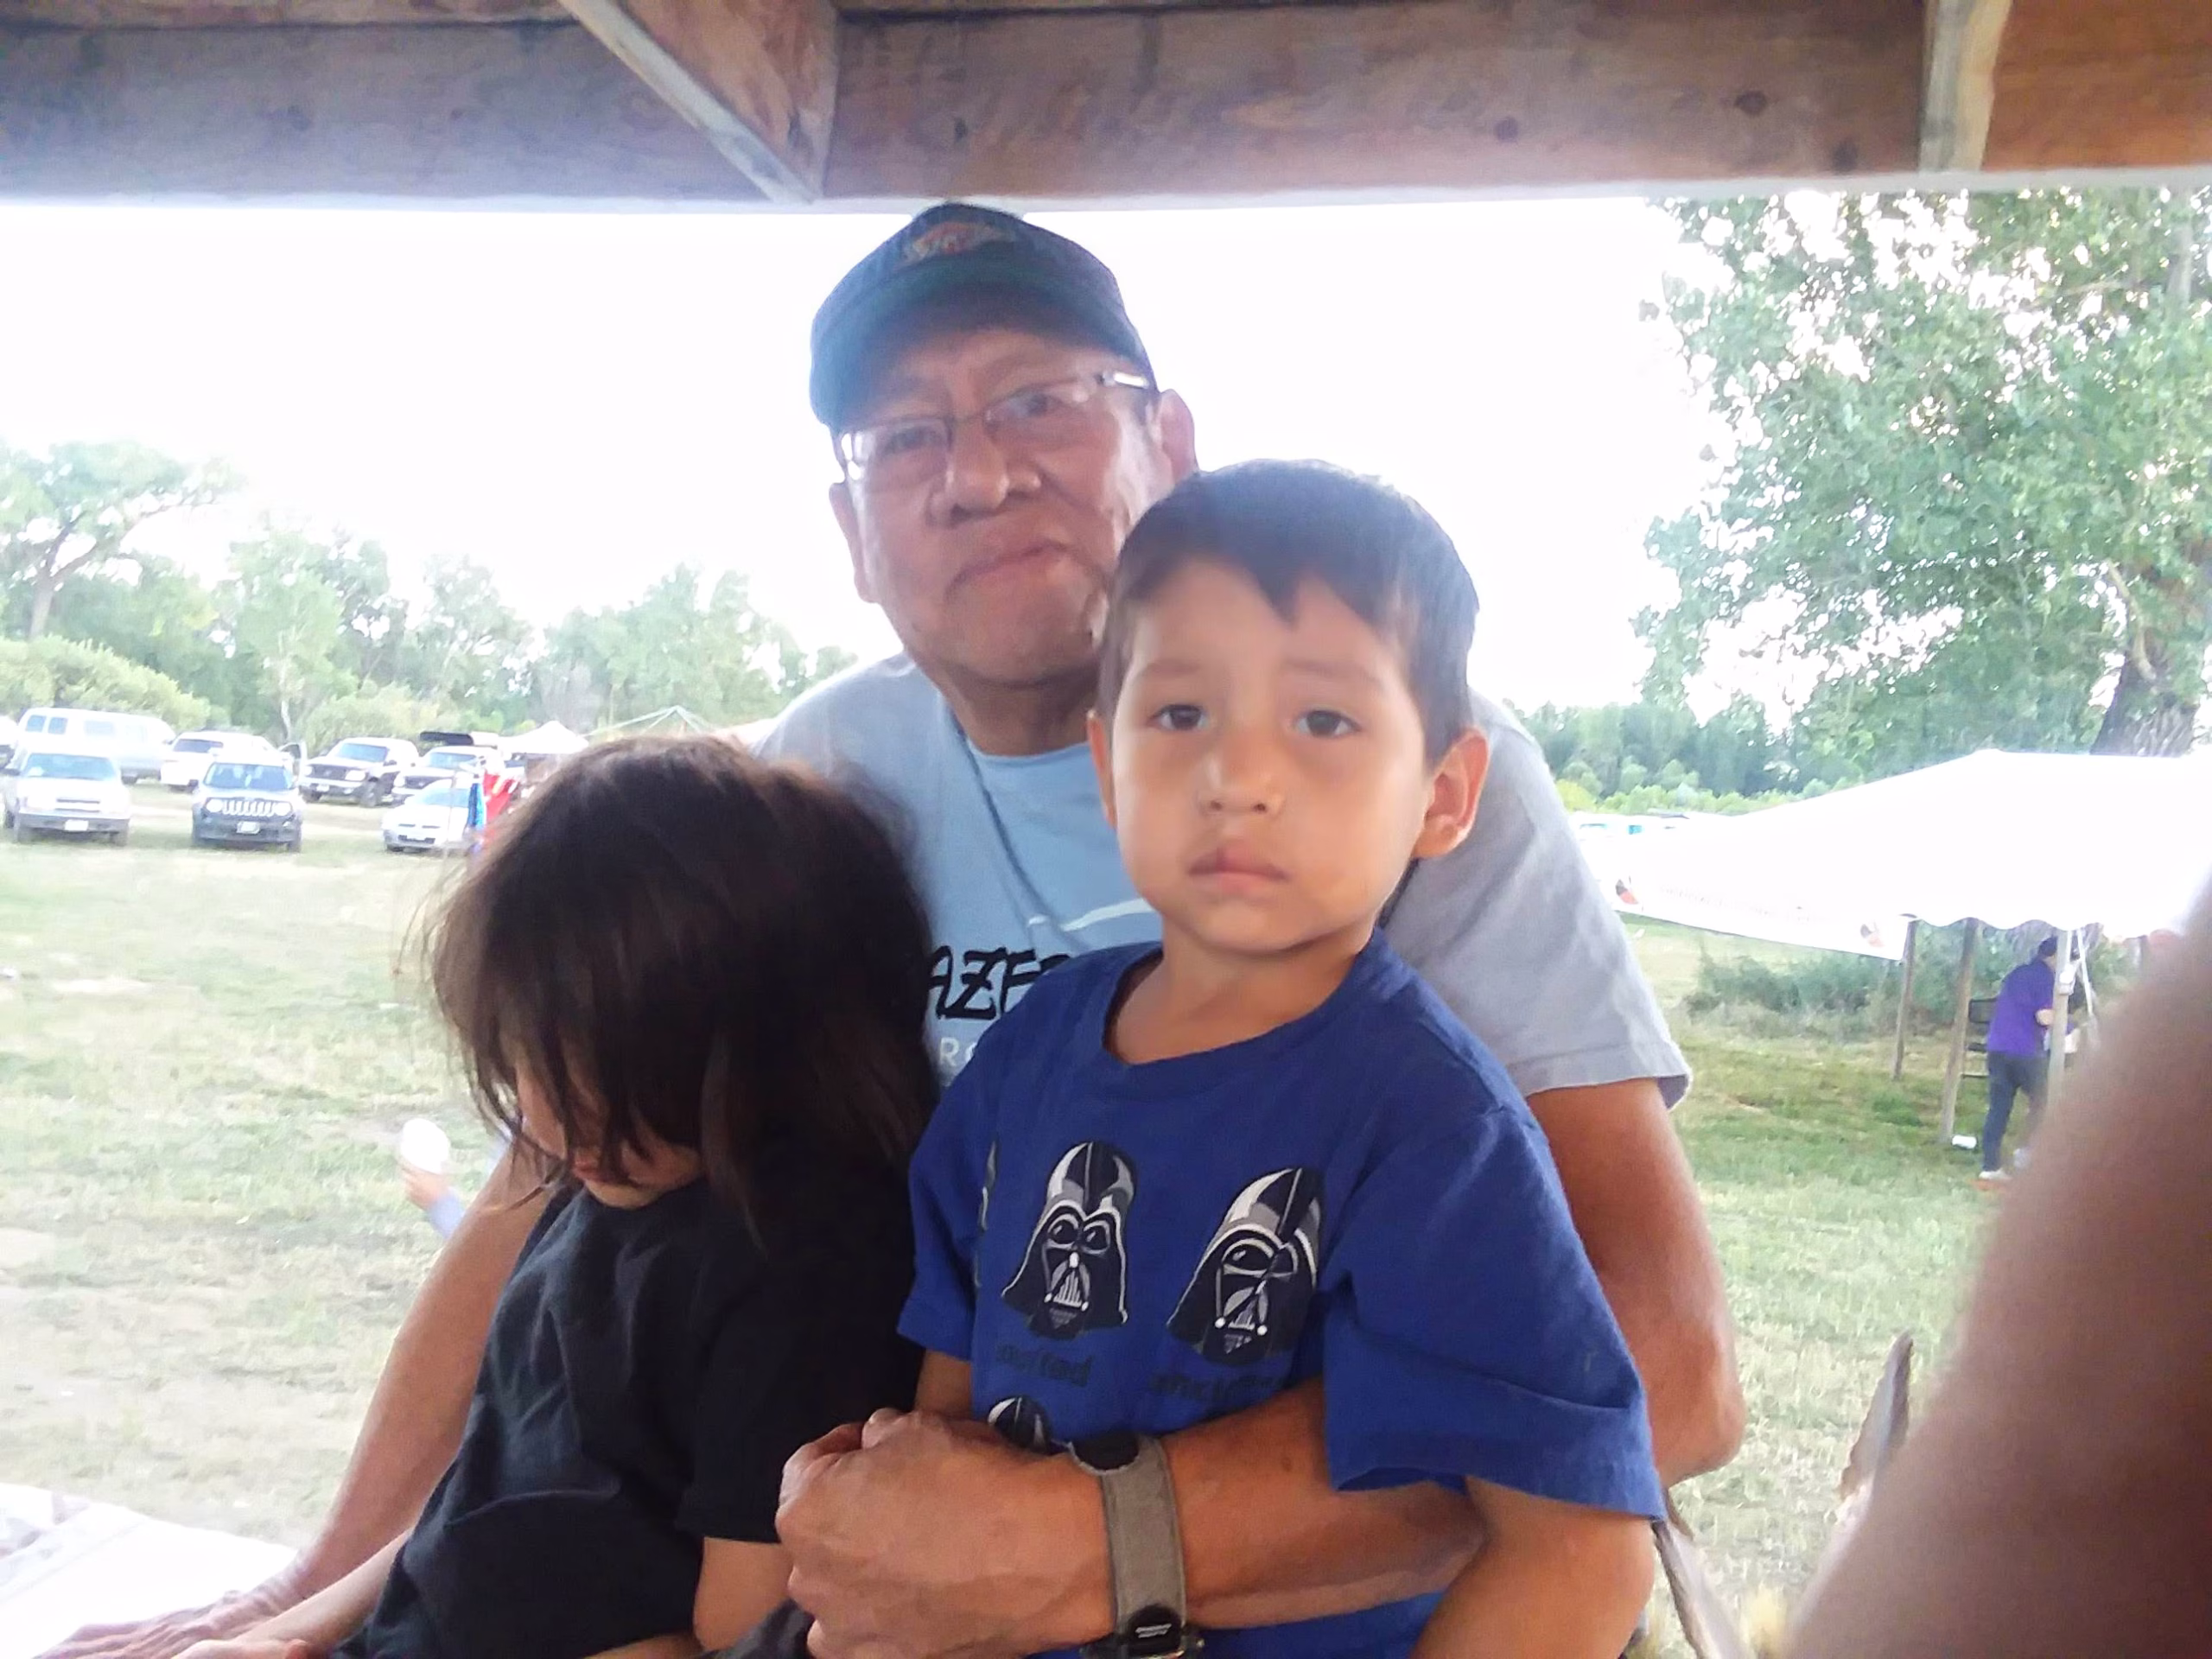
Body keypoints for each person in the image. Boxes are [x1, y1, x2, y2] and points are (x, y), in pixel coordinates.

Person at [44, 205, 1739, 1659]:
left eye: (1038, 400)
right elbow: (548, 1179)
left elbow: (1656, 1373)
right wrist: (313, 1591)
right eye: (901, 439)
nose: (976, 472)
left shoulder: (1399, 779)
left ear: (1173, 444)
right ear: (849, 535)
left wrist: (1081, 1541)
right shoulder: (823, 780)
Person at [900, 461, 1662, 1658]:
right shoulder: (1029, 1053)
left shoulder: (1430, 1129)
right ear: (1107, 769)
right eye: (1181, 714)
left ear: (1445, 795)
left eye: (1323, 721)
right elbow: (949, 1376)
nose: (1239, 778)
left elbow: (1579, 1551)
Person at [176, 736, 934, 1658]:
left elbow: (741, 1636)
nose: (548, 1117)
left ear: (769, 1031)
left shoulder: (807, 1267)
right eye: (527, 1061)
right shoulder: (602, 1188)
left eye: (607, 1076)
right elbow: (479, 1503)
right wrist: (288, 1630)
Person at [1787, 890, 2212, 1657]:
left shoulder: (2021, 970)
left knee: (1997, 1114)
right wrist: (2081, 1027)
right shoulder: (2046, 984)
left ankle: (1993, 1160)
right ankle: (2011, 1159)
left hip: (1997, 1055)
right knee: (2037, 1112)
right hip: (2027, 1053)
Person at [1977, 936, 2057, 1184]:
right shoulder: (2045, 977)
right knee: (2043, 1101)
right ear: (2055, 957)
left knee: (1999, 1107)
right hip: (2024, 1049)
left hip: (1998, 1047)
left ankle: (1990, 1167)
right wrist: (2066, 1021)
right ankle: (2027, 1155)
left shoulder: (2017, 973)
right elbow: (2044, 1017)